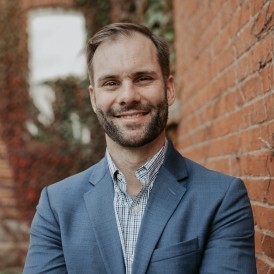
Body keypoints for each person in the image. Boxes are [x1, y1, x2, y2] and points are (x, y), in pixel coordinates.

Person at [23, 23, 257, 274]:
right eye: (111, 83)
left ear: (169, 89)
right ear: (93, 98)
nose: (128, 96)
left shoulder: (221, 199)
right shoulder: (57, 206)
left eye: (143, 78)